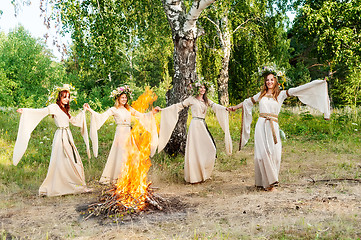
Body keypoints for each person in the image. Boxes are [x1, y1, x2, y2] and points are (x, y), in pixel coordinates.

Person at [229, 68, 330, 191]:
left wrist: (318, 83)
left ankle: (272, 181)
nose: (269, 82)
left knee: (274, 153)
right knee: (261, 155)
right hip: (261, 125)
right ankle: (264, 183)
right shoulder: (261, 95)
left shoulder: (281, 94)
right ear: (265, 82)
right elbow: (247, 102)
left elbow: (299, 89)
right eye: (267, 80)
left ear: (276, 81)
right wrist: (235, 107)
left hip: (273, 125)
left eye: (271, 80)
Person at [13, 84, 92, 196]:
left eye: (68, 97)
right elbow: (41, 111)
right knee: (61, 161)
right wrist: (25, 111)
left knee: (74, 161)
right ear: (59, 97)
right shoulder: (54, 107)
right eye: (64, 97)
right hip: (60, 137)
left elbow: (74, 121)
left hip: (67, 136)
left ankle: (77, 185)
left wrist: (83, 111)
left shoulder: (65, 109)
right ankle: (61, 186)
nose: (67, 99)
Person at [157, 80, 232, 184]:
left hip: (202, 125)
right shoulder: (191, 99)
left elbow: (215, 106)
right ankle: (194, 177)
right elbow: (178, 106)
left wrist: (226, 109)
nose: (202, 90)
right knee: (195, 150)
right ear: (197, 89)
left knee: (210, 148)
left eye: (204, 88)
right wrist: (163, 110)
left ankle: (203, 173)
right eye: (201, 87)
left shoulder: (206, 100)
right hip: (195, 125)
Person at [84, 85, 159, 184]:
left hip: (128, 133)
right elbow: (101, 116)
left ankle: (131, 178)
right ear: (118, 98)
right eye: (122, 97)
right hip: (120, 133)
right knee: (120, 155)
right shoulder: (113, 109)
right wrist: (90, 110)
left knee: (132, 155)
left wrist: (152, 113)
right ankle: (118, 178)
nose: (124, 99)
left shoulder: (129, 109)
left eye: (125, 97)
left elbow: (141, 115)